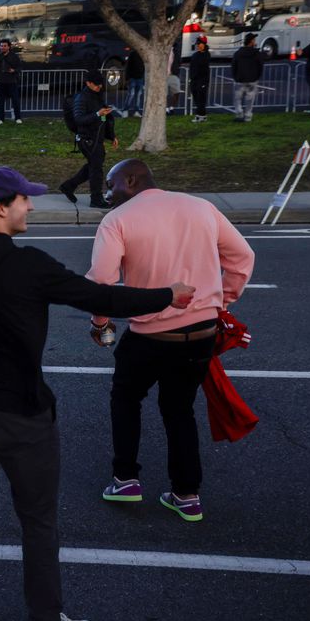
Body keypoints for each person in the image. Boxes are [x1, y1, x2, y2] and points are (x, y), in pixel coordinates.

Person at [0, 167, 193, 621]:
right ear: (1, 207)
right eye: (25, 200)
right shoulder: (29, 266)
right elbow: (100, 296)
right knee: (38, 520)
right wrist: (167, 295)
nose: (31, 206)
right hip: (25, 413)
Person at [87, 159, 255, 522]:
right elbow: (243, 257)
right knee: (179, 409)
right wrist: (221, 300)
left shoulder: (117, 219)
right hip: (200, 336)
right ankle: (186, 493)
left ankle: (126, 479)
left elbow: (101, 279)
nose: (108, 193)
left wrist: (100, 323)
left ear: (131, 180)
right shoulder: (202, 208)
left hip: (149, 335)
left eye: (111, 185)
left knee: (126, 399)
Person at [57, 69, 117, 209]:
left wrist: (111, 135)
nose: (99, 87)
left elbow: (103, 118)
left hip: (97, 137)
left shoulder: (97, 95)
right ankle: (95, 198)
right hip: (87, 139)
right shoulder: (81, 98)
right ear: (88, 83)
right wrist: (97, 113)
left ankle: (68, 186)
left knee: (94, 165)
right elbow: (79, 119)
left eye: (100, 84)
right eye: (96, 84)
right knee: (96, 168)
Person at [230, 33, 265, 123]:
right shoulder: (256, 53)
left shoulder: (238, 53)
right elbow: (260, 66)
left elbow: (234, 66)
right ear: (251, 41)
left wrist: (235, 76)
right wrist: (257, 76)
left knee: (237, 99)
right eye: (254, 40)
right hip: (252, 80)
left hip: (240, 79)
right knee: (249, 100)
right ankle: (248, 116)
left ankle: (239, 113)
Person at [0, 39, 23, 124]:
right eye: (1, 46)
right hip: (1, 82)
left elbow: (20, 68)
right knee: (1, 101)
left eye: (5, 46)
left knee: (15, 101)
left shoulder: (14, 56)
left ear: (9, 47)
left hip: (12, 82)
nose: (3, 47)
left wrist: (14, 70)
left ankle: (18, 118)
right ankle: (0, 119)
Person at [189, 37, 211, 123]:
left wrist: (203, 82)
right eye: (197, 44)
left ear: (204, 44)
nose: (198, 46)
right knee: (197, 98)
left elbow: (204, 68)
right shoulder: (195, 55)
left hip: (202, 80)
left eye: (200, 44)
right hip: (194, 80)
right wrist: (191, 78)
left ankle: (201, 116)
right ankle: (201, 115)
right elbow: (192, 67)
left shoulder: (206, 55)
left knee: (201, 98)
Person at [120, 50, 144, 118]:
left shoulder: (143, 54)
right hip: (132, 77)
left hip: (140, 77)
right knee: (131, 94)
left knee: (138, 95)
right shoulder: (133, 54)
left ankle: (136, 111)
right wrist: (127, 78)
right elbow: (128, 66)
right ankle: (125, 110)